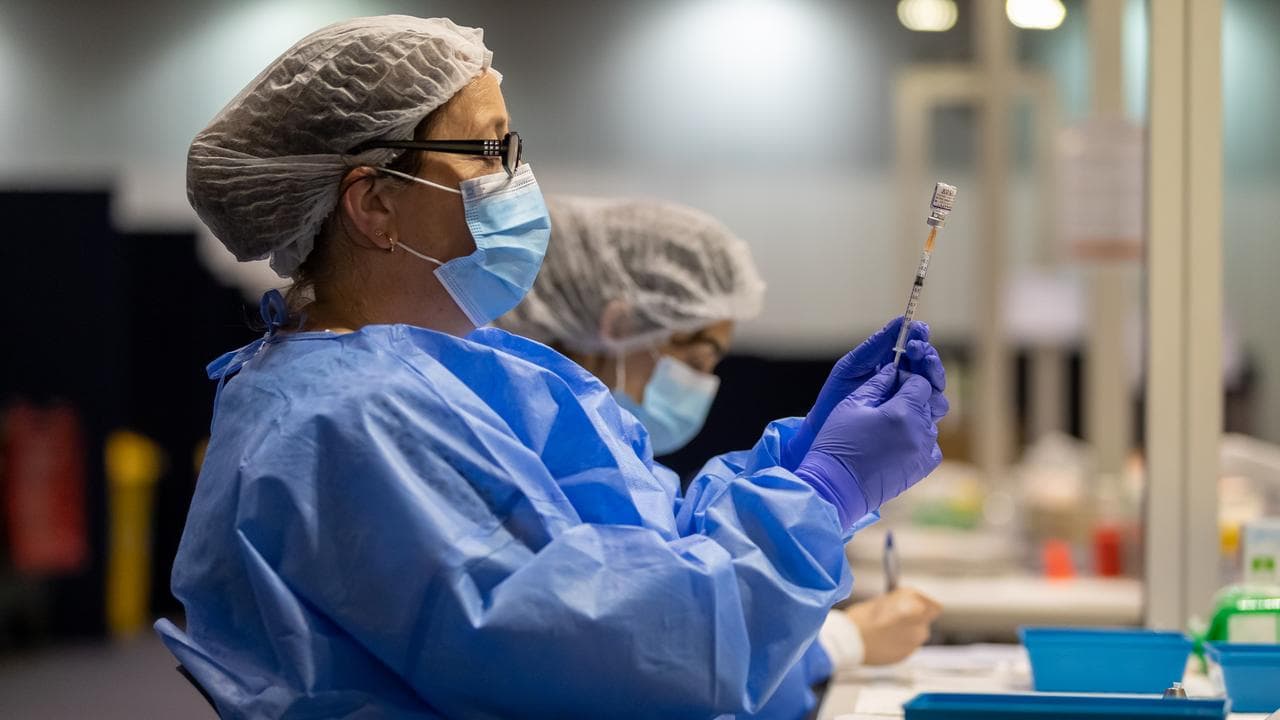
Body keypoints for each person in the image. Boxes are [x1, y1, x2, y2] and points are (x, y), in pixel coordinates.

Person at [157, 15, 948, 720]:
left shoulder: (452, 373)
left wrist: (806, 461)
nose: (518, 181)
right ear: (375, 204)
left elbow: (639, 549)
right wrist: (822, 494)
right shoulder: (347, 420)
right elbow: (618, 652)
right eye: (489, 150)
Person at [497, 195, 945, 716]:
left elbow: (686, 563)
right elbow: (654, 661)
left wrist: (799, 463)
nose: (703, 383)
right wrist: (824, 488)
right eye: (695, 358)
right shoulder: (525, 458)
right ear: (617, 327)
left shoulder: (615, 462)